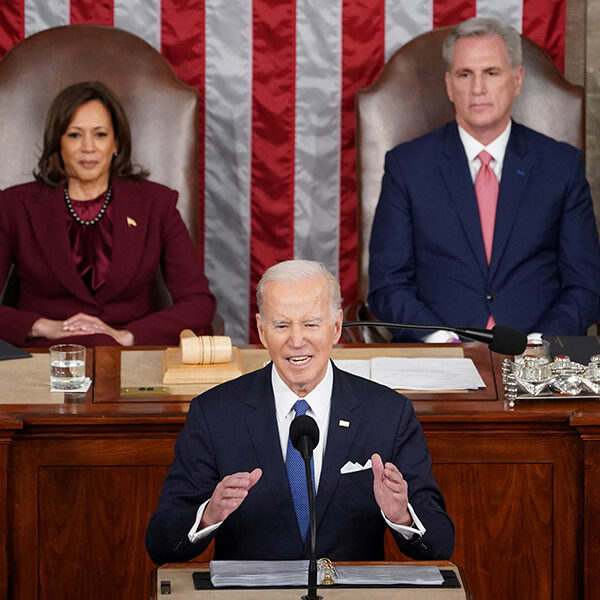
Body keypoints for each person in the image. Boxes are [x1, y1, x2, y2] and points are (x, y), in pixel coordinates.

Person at [146, 259, 453, 564]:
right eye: (281, 325)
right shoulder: (214, 414)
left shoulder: (387, 413)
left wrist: (402, 516)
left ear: (335, 328)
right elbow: (161, 542)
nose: (296, 341)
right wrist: (208, 515)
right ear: (262, 331)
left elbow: (441, 543)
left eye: (310, 324)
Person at [368, 17, 600, 342]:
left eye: (491, 72)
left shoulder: (561, 165)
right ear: (449, 85)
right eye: (465, 74)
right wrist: (441, 340)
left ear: (517, 80)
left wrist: (539, 343)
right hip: (438, 359)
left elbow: (586, 285)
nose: (478, 88)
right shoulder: (407, 166)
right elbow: (387, 286)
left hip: (537, 355)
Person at [0, 81, 216, 347]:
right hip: (45, 354)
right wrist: (42, 326)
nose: (88, 147)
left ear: (116, 143)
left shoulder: (156, 203)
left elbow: (198, 302)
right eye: (74, 134)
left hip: (130, 354)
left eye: (100, 134)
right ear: (58, 142)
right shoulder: (14, 204)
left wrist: (126, 335)